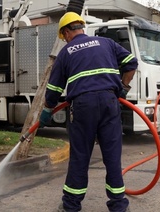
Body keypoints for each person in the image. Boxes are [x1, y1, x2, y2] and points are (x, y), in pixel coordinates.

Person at [39, 12, 138, 212]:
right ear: (81, 27)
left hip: (83, 106)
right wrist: (123, 88)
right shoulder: (106, 43)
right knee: (112, 156)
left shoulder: (66, 53)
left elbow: (54, 90)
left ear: (67, 32)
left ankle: (71, 206)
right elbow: (131, 63)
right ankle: (119, 206)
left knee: (80, 156)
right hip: (110, 102)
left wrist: (47, 111)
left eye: (63, 36)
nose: (64, 39)